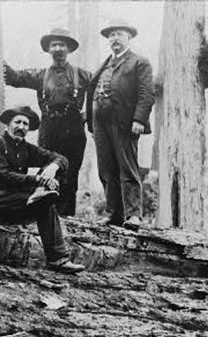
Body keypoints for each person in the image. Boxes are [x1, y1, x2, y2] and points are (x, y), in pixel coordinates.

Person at [0, 28, 92, 217]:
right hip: (49, 127)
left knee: (70, 175)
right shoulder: (40, 75)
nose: (57, 48)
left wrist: (89, 115)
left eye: (61, 45)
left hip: (74, 130)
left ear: (68, 49)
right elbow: (13, 77)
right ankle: (48, 213)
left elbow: (102, 91)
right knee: (48, 168)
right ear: (49, 50)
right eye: (54, 45)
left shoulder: (82, 75)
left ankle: (67, 218)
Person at [0, 105, 84, 274]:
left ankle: (58, 259)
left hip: (16, 201)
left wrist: (53, 167)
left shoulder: (26, 148)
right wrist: (39, 180)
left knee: (46, 202)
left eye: (25, 124)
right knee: (44, 199)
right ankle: (57, 257)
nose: (21, 127)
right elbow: (5, 177)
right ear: (8, 124)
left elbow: (61, 158)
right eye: (17, 122)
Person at [86, 20, 154, 229]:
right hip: (100, 123)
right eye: (111, 35)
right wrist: (89, 118)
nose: (114, 39)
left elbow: (146, 94)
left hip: (124, 122)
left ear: (129, 38)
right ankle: (113, 213)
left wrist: (138, 120)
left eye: (119, 34)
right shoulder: (105, 64)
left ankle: (133, 215)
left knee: (127, 168)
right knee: (106, 169)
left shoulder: (139, 62)